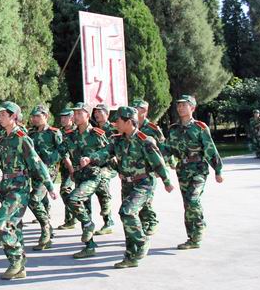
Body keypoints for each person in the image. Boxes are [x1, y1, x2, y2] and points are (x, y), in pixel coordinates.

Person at [0, 101, 57, 280]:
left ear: (13, 116)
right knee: (15, 227)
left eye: (3, 115)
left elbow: (37, 163)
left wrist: (50, 186)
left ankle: (16, 260)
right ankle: (20, 267)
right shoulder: (2, 138)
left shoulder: (22, 138)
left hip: (19, 189)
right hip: (5, 188)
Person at [83, 106, 174, 268]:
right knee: (126, 219)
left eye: (118, 120)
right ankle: (131, 256)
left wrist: (167, 181)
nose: (115, 123)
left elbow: (158, 162)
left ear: (128, 122)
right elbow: (105, 152)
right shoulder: (117, 140)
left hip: (144, 183)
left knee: (127, 211)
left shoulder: (145, 140)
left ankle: (142, 241)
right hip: (127, 184)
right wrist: (90, 158)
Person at [166, 95, 224, 250]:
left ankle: (198, 232)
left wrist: (218, 170)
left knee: (193, 200)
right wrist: (163, 164)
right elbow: (167, 149)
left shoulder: (200, 127)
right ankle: (192, 236)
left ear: (192, 108)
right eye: (179, 105)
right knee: (188, 204)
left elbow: (210, 149)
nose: (180, 108)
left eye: (184, 105)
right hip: (182, 170)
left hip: (198, 169)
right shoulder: (173, 129)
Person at [59, 102, 109, 259]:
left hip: (94, 177)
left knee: (73, 199)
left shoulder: (96, 134)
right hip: (79, 177)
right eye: (75, 113)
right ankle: (89, 246)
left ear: (88, 115)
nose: (76, 116)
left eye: (80, 113)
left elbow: (108, 153)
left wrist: (93, 160)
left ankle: (90, 225)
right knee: (84, 210)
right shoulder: (70, 136)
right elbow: (59, 152)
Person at [28, 104, 62, 250]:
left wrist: (50, 161)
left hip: (48, 171)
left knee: (34, 199)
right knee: (42, 199)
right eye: (33, 116)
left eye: (38, 116)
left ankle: (46, 230)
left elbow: (62, 150)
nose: (34, 119)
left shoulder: (54, 133)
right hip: (35, 171)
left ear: (46, 116)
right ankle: (48, 230)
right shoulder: (31, 133)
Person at [132, 99, 167, 236]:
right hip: (134, 169)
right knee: (136, 199)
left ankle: (151, 222)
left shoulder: (152, 129)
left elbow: (162, 148)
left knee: (146, 199)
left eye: (138, 108)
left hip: (150, 169)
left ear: (145, 111)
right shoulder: (131, 126)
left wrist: (161, 167)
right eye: (134, 107)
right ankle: (143, 224)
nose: (135, 110)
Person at [91, 104, 116, 235]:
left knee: (102, 183)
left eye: (100, 112)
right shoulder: (92, 129)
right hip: (96, 164)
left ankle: (108, 222)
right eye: (95, 112)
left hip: (110, 165)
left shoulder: (114, 128)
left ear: (107, 114)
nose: (97, 114)